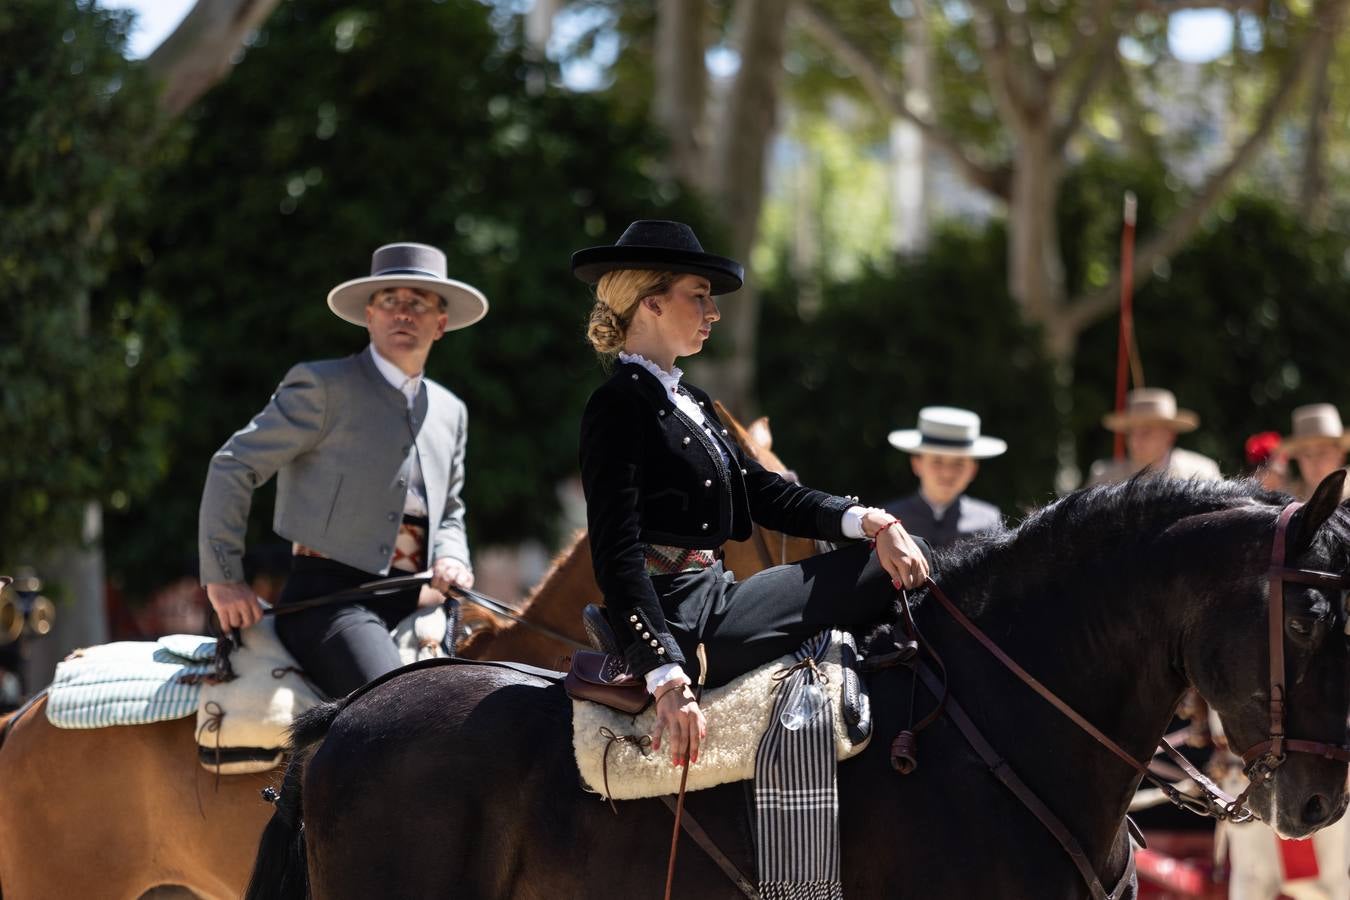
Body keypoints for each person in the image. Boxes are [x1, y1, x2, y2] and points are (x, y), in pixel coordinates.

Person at [573, 220, 932, 768]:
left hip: (717, 594)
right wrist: (665, 673)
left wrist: (868, 520)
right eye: (699, 296)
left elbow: (765, 494)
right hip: (681, 621)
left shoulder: (691, 400)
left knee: (895, 549)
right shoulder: (617, 405)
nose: (713, 312)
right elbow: (615, 555)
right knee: (886, 567)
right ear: (652, 303)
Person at [198, 242, 486, 697]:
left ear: (441, 323)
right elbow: (233, 465)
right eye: (390, 300)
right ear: (370, 316)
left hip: (417, 601)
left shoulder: (451, 411)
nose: (403, 312)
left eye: (418, 303)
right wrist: (223, 579)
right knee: (399, 707)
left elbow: (450, 510)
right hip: (327, 602)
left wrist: (453, 557)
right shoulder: (322, 386)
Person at [882, 407, 1005, 548]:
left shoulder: (987, 522)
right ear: (917, 464)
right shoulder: (889, 520)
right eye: (937, 461)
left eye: (959, 463)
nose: (947, 473)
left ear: (973, 470)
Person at [1086, 388, 1220, 486]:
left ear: (1170, 435)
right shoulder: (1104, 477)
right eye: (1131, 432)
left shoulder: (1201, 474)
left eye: (1146, 432)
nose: (1135, 440)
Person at [1280, 403, 1350, 501]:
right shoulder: (1287, 499)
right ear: (1298, 457)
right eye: (1307, 455)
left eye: (1322, 452)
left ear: (1341, 454)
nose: (1315, 462)